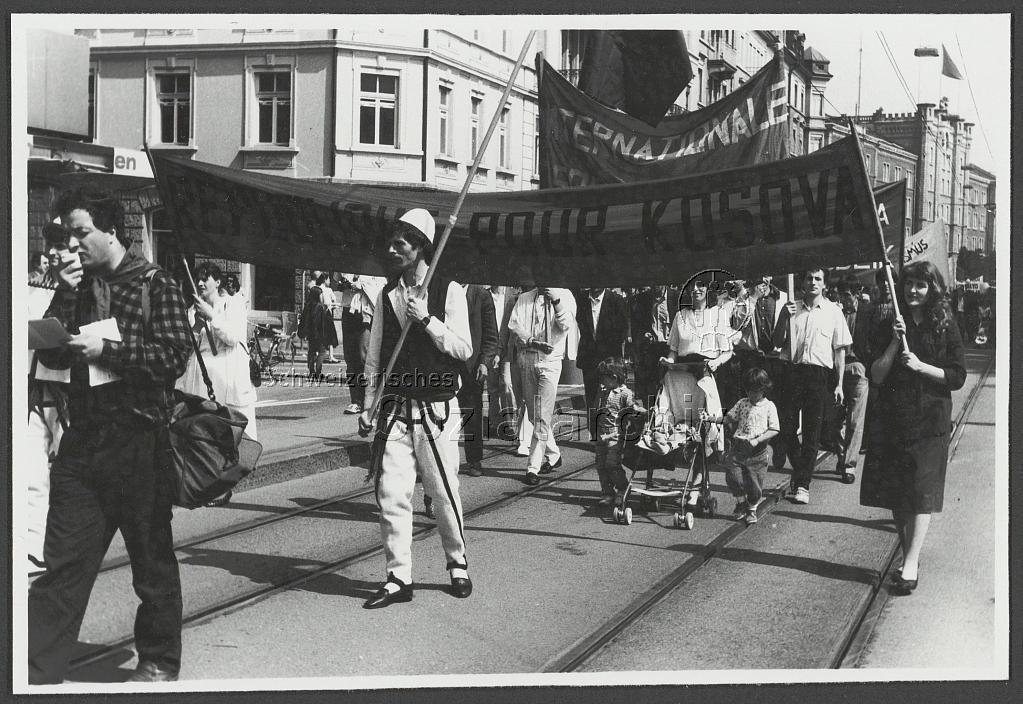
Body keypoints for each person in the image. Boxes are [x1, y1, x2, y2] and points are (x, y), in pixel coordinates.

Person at [28, 188, 192, 683]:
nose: (72, 245)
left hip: (139, 442)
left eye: (81, 233)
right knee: (62, 562)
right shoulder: (77, 287)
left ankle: (159, 662)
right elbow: (51, 356)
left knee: (151, 564)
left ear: (112, 231)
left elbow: (173, 357)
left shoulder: (154, 283)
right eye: (67, 236)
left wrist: (108, 351)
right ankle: (34, 669)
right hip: (83, 442)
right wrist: (61, 298)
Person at [357, 208, 474, 608]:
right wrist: (368, 404)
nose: (392, 250)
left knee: (443, 492)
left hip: (437, 409)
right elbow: (375, 356)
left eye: (400, 244)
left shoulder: (449, 290)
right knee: (391, 493)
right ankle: (398, 577)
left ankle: (457, 563)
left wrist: (427, 320)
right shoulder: (386, 294)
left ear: (421, 247)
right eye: (390, 243)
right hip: (395, 408)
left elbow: (464, 348)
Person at [860, 261, 966, 595]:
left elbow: (957, 376)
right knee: (898, 494)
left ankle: (910, 563)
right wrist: (894, 343)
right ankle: (910, 556)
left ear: (932, 288)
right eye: (908, 284)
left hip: (930, 420)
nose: (912, 290)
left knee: (921, 492)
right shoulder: (891, 323)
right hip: (894, 419)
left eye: (920, 285)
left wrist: (921, 367)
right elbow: (876, 375)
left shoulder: (945, 324)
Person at [175, 262, 258, 508]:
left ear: (218, 282)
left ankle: (223, 486)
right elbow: (188, 345)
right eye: (198, 279)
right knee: (203, 434)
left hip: (226, 377)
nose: (200, 283)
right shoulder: (193, 309)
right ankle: (206, 485)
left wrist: (212, 316)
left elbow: (232, 337)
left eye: (206, 278)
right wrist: (195, 326)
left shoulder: (232, 304)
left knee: (226, 434)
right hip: (200, 377)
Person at [772, 267, 852, 505]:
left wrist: (839, 384)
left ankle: (803, 484)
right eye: (809, 278)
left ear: (824, 284)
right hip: (792, 371)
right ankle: (801, 470)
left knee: (812, 432)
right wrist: (783, 317)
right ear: (802, 282)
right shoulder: (791, 308)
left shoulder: (833, 311)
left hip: (819, 375)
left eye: (818, 279)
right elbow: (776, 342)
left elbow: (839, 351)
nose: (813, 282)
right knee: (786, 428)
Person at [25, 225, 74, 574]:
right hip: (35, 391)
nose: (53, 254)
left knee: (67, 476)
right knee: (33, 474)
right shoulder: (33, 287)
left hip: (68, 395)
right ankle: (34, 548)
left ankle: (63, 548)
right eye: (51, 247)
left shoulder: (87, 290)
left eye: (61, 246)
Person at [503, 265, 577, 486]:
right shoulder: (525, 298)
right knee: (534, 415)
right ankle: (554, 455)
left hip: (550, 362)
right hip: (527, 358)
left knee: (542, 416)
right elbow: (514, 324)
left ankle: (532, 467)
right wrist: (532, 341)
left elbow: (566, 325)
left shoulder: (565, 295)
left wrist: (556, 301)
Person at [703, 367, 780, 526]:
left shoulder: (769, 406)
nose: (751, 395)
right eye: (748, 391)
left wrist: (758, 440)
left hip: (757, 452)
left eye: (755, 391)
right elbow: (729, 418)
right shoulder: (742, 403)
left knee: (754, 484)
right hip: (738, 447)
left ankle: (751, 508)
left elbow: (774, 429)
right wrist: (710, 418)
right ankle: (741, 502)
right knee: (733, 477)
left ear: (763, 389)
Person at [730, 276, 788, 466]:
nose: (762, 279)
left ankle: (778, 447)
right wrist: (752, 298)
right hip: (752, 358)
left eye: (766, 275)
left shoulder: (782, 297)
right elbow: (736, 324)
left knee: (776, 406)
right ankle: (750, 453)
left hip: (775, 360)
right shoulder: (744, 298)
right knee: (751, 408)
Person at [819, 277, 873, 484]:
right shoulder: (834, 313)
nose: (844, 299)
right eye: (840, 295)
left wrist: (868, 362)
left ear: (857, 294)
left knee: (855, 420)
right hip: (836, 370)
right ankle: (842, 458)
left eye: (847, 295)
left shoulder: (867, 312)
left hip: (858, 368)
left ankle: (849, 465)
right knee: (835, 419)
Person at [574, 287, 628, 442]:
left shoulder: (616, 300)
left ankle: (616, 433)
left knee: (614, 396)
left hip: (610, 357)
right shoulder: (581, 299)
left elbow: (623, 328)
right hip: (589, 356)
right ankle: (595, 436)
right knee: (592, 397)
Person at [456, 283, 499, 476]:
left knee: (472, 413)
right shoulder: (441, 290)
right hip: (444, 364)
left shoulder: (481, 295)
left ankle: (474, 460)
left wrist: (484, 362)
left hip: (471, 366)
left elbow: (491, 335)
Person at [338, 272, 386, 415]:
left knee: (364, 356)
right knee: (350, 358)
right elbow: (335, 281)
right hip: (348, 310)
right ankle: (356, 401)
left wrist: (361, 285)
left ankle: (371, 400)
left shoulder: (373, 267)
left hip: (366, 312)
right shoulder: (347, 266)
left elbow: (381, 288)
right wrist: (343, 285)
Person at [628, 285, 680, 410]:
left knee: (672, 385)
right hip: (650, 348)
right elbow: (636, 326)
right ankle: (651, 414)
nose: (656, 286)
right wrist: (643, 334)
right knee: (650, 387)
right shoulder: (641, 299)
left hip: (671, 348)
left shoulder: (677, 297)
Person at [592, 357, 635, 507]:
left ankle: (623, 488)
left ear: (614, 377)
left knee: (612, 464)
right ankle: (607, 492)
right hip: (601, 434)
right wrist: (600, 393)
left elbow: (631, 411)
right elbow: (596, 408)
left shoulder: (625, 393)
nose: (600, 380)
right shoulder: (604, 391)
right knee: (600, 465)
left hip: (615, 435)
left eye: (602, 377)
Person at [488, 285, 522, 446]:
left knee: (507, 384)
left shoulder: (512, 295)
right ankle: (494, 423)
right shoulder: (485, 294)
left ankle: (511, 425)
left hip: (508, 346)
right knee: (492, 387)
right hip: (489, 345)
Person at [297, 276, 338, 381]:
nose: (322, 296)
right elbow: (324, 323)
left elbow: (304, 320)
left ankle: (311, 371)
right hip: (320, 334)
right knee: (321, 352)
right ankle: (318, 372)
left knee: (311, 352)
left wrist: (304, 332)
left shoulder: (308, 306)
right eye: (321, 295)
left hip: (310, 334)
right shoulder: (320, 307)